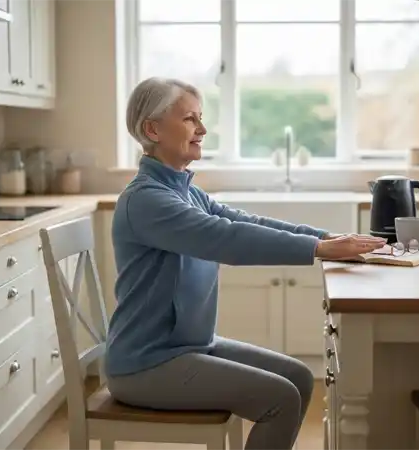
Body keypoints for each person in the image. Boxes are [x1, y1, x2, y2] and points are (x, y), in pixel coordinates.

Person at [107, 77, 385, 450]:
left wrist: (327, 238)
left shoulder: (185, 191)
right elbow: (226, 239)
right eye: (190, 119)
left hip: (189, 346)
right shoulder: (146, 201)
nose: (202, 129)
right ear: (152, 129)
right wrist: (317, 249)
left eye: (200, 118)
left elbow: (245, 223)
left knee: (299, 378)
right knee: (280, 398)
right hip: (146, 363)